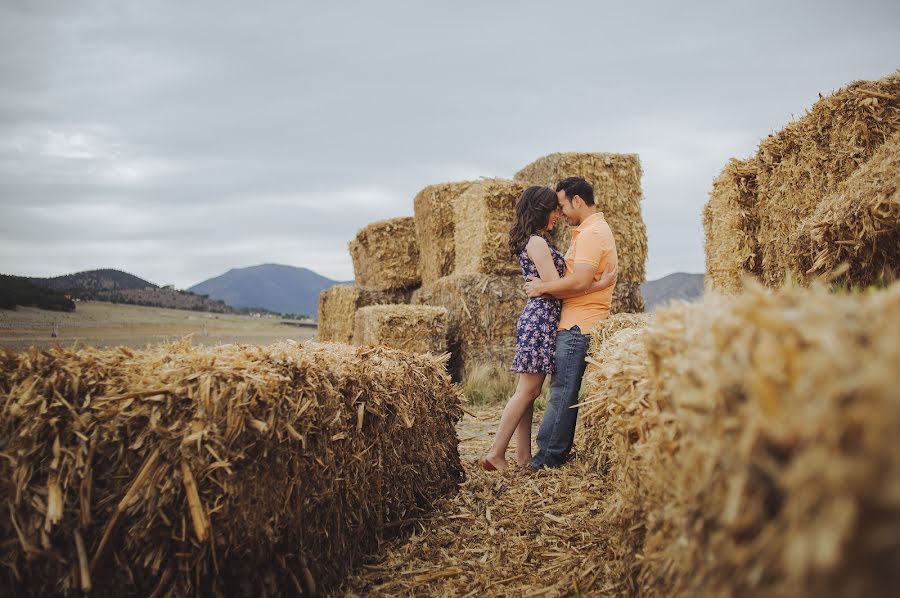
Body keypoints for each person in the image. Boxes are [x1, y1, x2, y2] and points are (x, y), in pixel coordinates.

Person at [482, 185, 616, 472]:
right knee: (527, 392)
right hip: (542, 319)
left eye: (559, 208)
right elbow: (557, 289)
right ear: (540, 210)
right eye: (554, 209)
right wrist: (599, 285)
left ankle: (522, 456)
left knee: (528, 392)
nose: (558, 214)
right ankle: (495, 453)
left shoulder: (536, 240)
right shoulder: (538, 243)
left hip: (543, 318)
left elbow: (549, 286)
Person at [523, 176, 618, 470]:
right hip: (575, 321)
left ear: (577, 201)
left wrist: (542, 288)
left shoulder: (592, 234)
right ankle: (554, 452)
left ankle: (547, 457)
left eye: (562, 205)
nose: (560, 214)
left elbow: (579, 280)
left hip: (579, 325)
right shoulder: (588, 232)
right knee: (563, 390)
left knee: (562, 391)